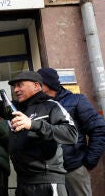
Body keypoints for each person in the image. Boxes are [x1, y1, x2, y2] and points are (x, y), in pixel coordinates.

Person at [0, 62, 78, 196]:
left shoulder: (51, 106)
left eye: (20, 85)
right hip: (23, 183)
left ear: (36, 86)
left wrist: (32, 124)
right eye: (14, 86)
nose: (16, 89)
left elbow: (71, 134)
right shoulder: (14, 108)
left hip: (47, 182)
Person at [37, 68, 105, 196]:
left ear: (48, 83)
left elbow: (99, 129)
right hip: (49, 173)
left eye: (38, 82)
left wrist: (88, 163)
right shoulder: (40, 105)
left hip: (74, 169)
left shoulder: (77, 100)